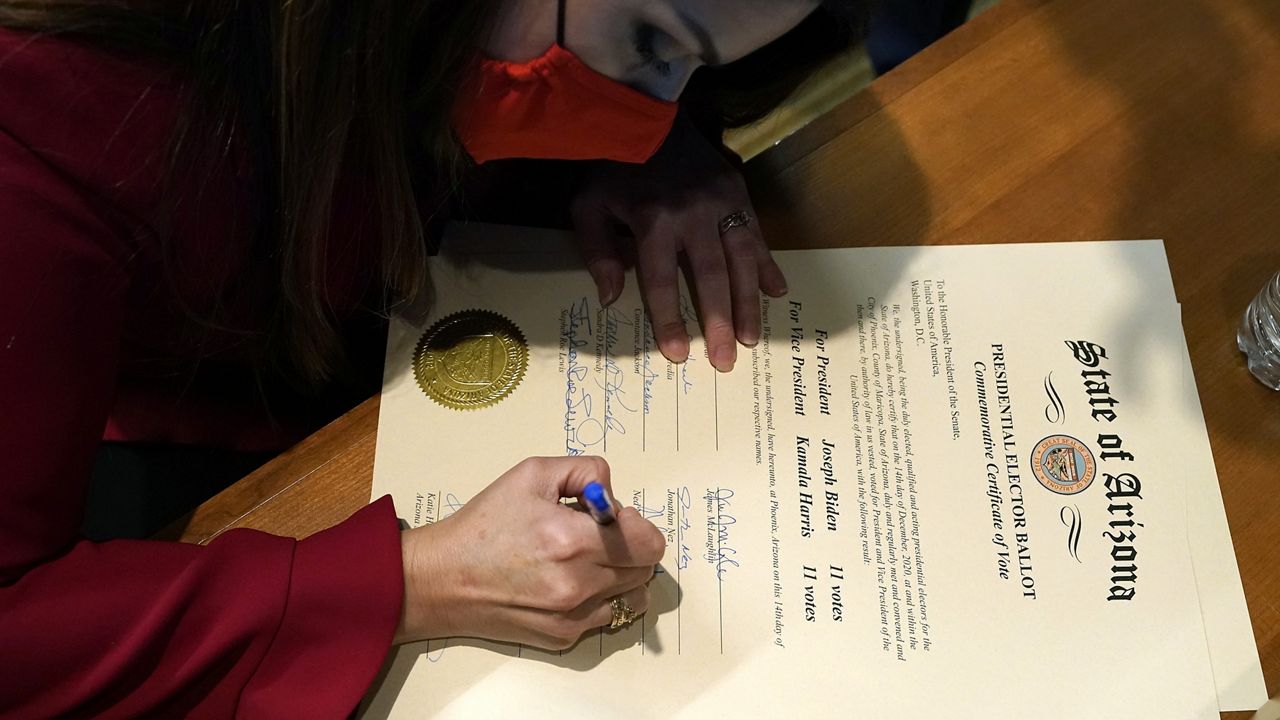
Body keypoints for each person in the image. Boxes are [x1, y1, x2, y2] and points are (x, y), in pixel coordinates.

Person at [0, 0, 868, 716]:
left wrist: (662, 156)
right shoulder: (52, 96)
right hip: (198, 430)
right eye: (649, 44)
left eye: (687, 68)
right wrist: (415, 582)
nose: (646, 119)